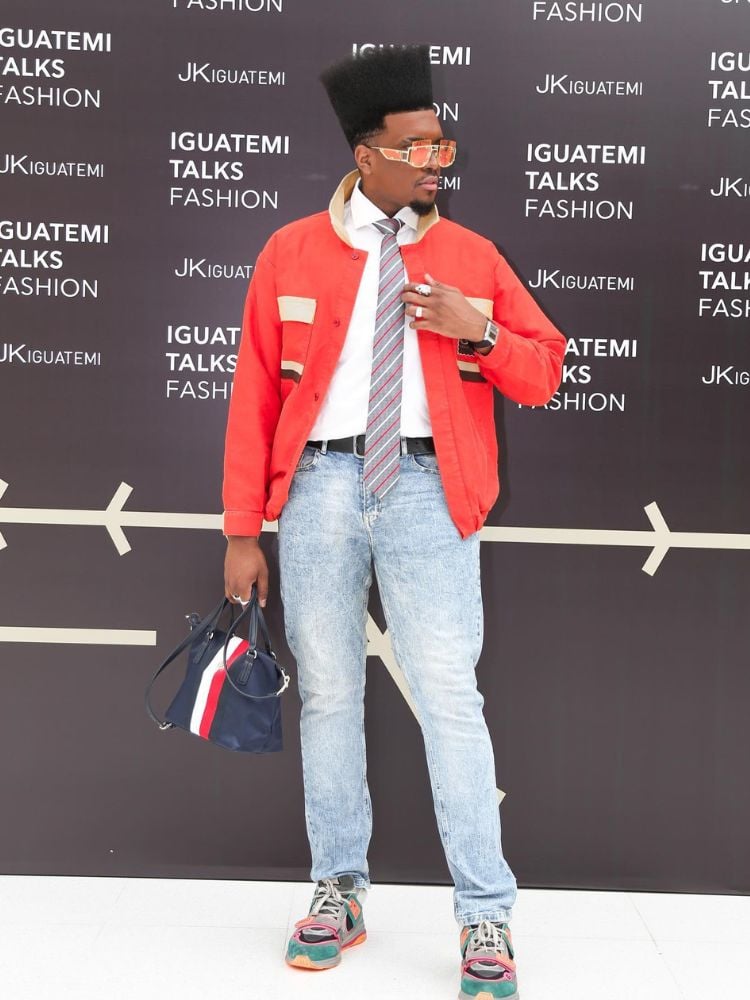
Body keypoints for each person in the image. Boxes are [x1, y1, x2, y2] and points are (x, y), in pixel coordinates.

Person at [222, 44, 566, 1000]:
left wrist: (481, 329)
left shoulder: (470, 257)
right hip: (321, 490)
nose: (435, 160)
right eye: (416, 144)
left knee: (449, 695)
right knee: (328, 693)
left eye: (442, 143)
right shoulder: (290, 250)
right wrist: (241, 531)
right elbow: (253, 394)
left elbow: (544, 371)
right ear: (365, 154)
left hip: (427, 488)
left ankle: (485, 914)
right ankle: (339, 886)